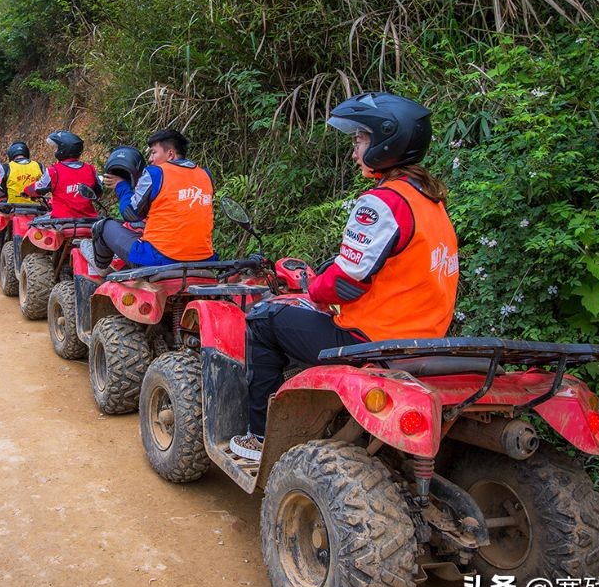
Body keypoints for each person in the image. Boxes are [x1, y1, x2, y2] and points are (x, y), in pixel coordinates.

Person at [229, 92, 460, 461]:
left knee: (262, 319)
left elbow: (345, 282)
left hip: (371, 339)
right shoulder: (431, 202)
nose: (355, 151)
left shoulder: (384, 201)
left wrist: (313, 289)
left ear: (387, 140)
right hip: (423, 341)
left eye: (360, 140)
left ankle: (258, 437)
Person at [90, 128, 215, 271]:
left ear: (170, 154)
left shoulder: (155, 173)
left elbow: (130, 213)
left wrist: (121, 186)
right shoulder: (205, 175)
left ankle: (102, 271)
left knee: (104, 226)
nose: (150, 159)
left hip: (158, 259)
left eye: (154, 152)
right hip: (204, 259)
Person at [23, 130, 101, 218]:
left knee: (33, 226)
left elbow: (38, 188)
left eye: (56, 148)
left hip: (62, 221)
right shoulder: (90, 169)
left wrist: (26, 191)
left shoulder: (53, 171)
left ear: (63, 149)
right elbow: (98, 192)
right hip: (89, 220)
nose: (55, 150)